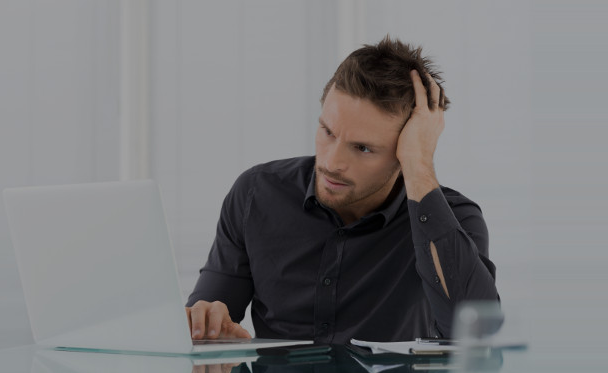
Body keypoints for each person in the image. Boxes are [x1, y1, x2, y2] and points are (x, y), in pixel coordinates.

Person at [185, 36, 499, 344]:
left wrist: (418, 164)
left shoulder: (455, 220)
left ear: (404, 150)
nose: (333, 163)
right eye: (327, 131)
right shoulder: (256, 193)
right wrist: (206, 324)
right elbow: (209, 317)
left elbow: (473, 333)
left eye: (362, 148)